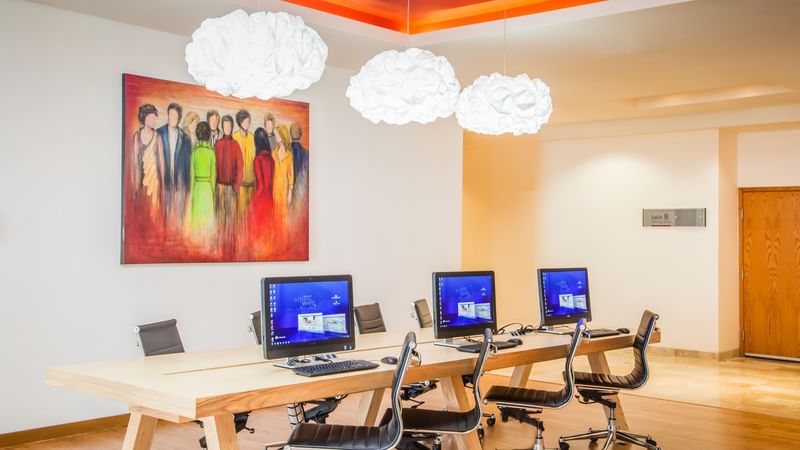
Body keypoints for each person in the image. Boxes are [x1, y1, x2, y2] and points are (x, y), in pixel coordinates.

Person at [156, 103, 191, 230]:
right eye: (171, 115)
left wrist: (187, 185)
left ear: (180, 117)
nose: (173, 118)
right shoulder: (159, 133)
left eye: (176, 116)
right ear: (168, 116)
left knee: (178, 219)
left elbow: (187, 162)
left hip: (179, 183)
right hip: (163, 181)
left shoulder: (185, 138)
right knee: (164, 216)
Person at [214, 115, 243, 258]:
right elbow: (213, 167)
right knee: (220, 219)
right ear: (222, 126)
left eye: (229, 126)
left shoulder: (236, 145)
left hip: (231, 189)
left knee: (231, 221)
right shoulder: (217, 144)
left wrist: (236, 187)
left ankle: (231, 249)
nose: (227, 128)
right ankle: (220, 248)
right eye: (224, 125)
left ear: (232, 127)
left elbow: (240, 167)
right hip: (219, 187)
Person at [132, 104, 165, 225]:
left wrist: (163, 184)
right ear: (143, 118)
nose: (152, 120)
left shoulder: (158, 137)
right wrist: (136, 185)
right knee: (142, 212)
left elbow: (162, 162)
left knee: (154, 212)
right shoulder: (136, 136)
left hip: (154, 181)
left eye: (153, 117)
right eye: (150, 117)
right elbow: (135, 163)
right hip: (141, 180)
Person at [247, 128, 275, 256]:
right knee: (268, 232)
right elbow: (269, 184)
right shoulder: (271, 159)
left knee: (257, 234)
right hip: (270, 198)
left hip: (261, 199)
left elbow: (261, 185)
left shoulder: (257, 160)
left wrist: (251, 204)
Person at [189, 121, 217, 243]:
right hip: (207, 187)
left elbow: (191, 175)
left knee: (197, 217)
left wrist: (192, 191)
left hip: (197, 187)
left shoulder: (194, 153)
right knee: (208, 216)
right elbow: (214, 175)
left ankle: (196, 242)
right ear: (208, 135)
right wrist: (212, 190)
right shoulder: (211, 153)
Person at [272, 124, 295, 253]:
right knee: (275, 216)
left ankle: (283, 244)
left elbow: (291, 174)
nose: (275, 136)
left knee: (284, 217)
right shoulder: (273, 152)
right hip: (274, 188)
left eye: (277, 134)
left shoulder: (289, 155)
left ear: (282, 135)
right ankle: (276, 243)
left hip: (285, 189)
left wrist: (290, 191)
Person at [233, 109, 256, 221]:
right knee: (241, 216)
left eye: (248, 121)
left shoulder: (252, 138)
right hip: (240, 185)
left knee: (251, 216)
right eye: (244, 121)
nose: (247, 123)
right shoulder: (235, 137)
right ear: (239, 122)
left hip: (252, 184)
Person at [289, 122, 309, 207]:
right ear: (300, 134)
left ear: (290, 134)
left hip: (289, 193)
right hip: (302, 193)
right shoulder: (307, 154)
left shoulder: (286, 152)